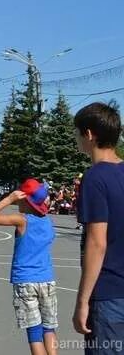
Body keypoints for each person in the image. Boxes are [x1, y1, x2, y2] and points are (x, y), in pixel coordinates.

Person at [0, 179, 57, 355]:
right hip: (47, 279)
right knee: (49, 328)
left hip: (26, 281)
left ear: (24, 200)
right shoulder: (48, 222)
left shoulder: (22, 220)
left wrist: (8, 199)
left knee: (34, 333)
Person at [72, 102, 124, 352]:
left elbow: (96, 242)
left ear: (89, 134)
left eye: (77, 133)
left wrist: (83, 301)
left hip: (109, 293)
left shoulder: (95, 177)